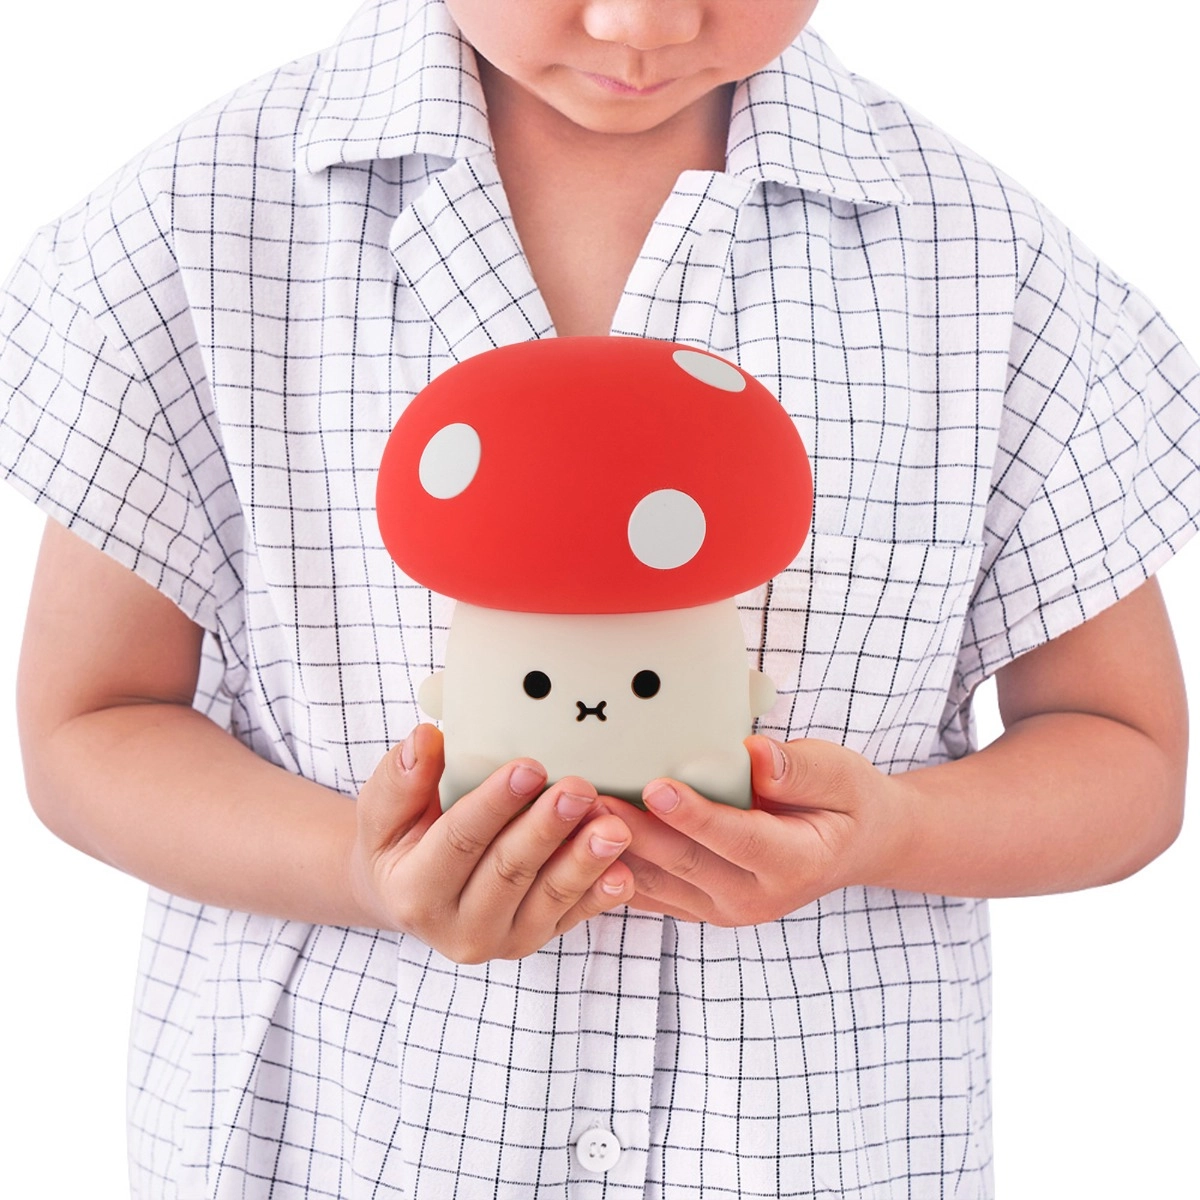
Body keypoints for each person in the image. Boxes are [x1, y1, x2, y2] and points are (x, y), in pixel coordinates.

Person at [1, 0, 1196, 1195]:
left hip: (809, 1147)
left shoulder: (986, 261)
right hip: (342, 1143)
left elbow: (1122, 753)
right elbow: (91, 722)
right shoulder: (200, 221)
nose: (643, 22)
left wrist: (896, 831)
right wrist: (359, 871)